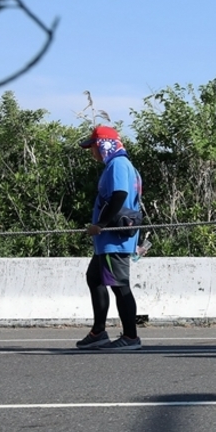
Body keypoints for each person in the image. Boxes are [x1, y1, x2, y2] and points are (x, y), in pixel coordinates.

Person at [75, 126, 145, 351]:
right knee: (94, 278)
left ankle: (131, 337)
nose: (92, 152)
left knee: (119, 285)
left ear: (104, 145)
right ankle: (98, 332)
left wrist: (100, 225)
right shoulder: (122, 165)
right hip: (108, 241)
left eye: (93, 147)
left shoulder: (118, 164)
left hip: (114, 239)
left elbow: (120, 195)